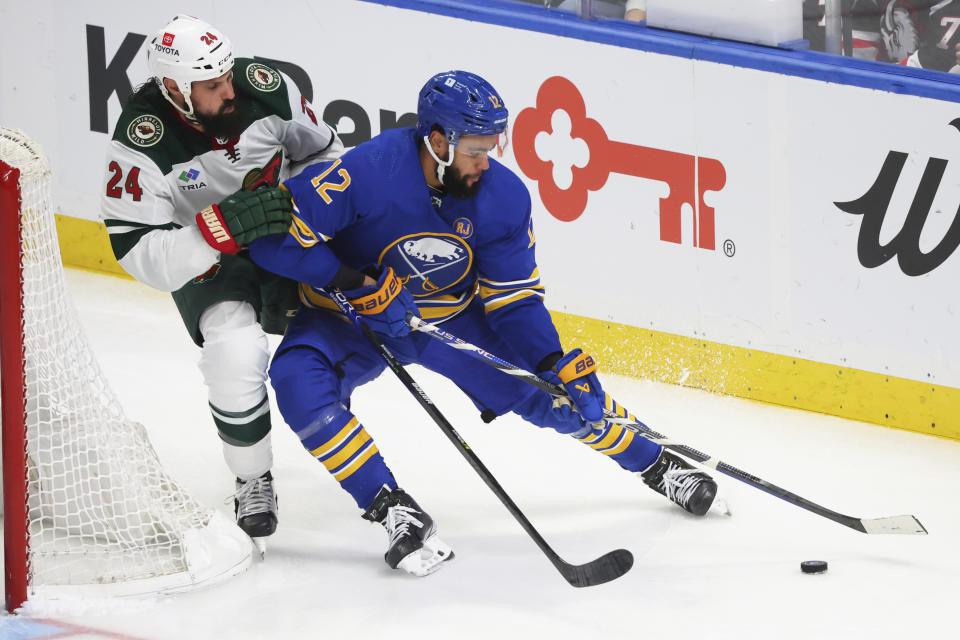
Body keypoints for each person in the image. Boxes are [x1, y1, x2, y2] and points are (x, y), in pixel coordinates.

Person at [246, 70, 718, 577]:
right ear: (437, 140)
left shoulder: (504, 198)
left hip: (445, 318)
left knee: (557, 394)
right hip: (350, 317)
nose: (483, 161)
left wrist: (550, 360)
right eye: (474, 148)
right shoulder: (365, 170)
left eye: (492, 146)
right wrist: (355, 282)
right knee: (297, 381)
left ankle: (657, 462)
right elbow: (272, 242)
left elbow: (514, 299)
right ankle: (391, 507)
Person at [99, 14, 343, 548]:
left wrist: (302, 211)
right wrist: (216, 230)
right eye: (212, 86)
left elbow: (324, 155)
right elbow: (136, 250)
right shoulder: (142, 140)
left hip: (284, 235)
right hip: (209, 258)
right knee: (234, 353)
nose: (229, 91)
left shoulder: (267, 88)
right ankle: (253, 478)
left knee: (345, 333)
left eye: (228, 75)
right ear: (174, 89)